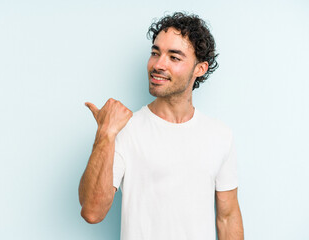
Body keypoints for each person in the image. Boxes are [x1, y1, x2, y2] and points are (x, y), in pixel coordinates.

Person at [78, 12, 244, 240]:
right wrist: (105, 133)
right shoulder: (124, 129)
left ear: (200, 69)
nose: (158, 64)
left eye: (174, 57)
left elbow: (228, 217)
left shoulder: (220, 135)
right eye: (155, 53)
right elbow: (92, 212)